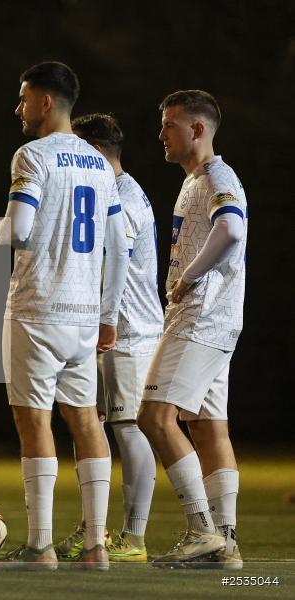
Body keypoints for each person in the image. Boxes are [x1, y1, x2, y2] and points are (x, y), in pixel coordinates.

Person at [0, 62, 129, 570]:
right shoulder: (99, 163)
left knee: (34, 422)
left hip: (37, 308)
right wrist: (108, 314)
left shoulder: (32, 155)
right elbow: (120, 245)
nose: (18, 109)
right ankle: (96, 546)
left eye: (24, 98)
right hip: (84, 314)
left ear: (45, 102)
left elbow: (18, 229)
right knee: (87, 422)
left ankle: (40, 546)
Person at [138, 90, 247, 569]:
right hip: (219, 322)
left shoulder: (216, 177)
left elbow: (232, 229)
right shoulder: (196, 180)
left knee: (154, 417)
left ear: (197, 129)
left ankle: (202, 530)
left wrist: (189, 277)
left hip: (200, 319)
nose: (161, 133)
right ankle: (226, 543)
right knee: (206, 426)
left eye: (169, 124)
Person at [53, 113, 163, 563]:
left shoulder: (123, 198)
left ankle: (134, 536)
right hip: (103, 329)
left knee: (129, 427)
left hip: (128, 331)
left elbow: (112, 264)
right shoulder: (110, 191)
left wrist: (105, 319)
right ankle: (93, 526)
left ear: (96, 152)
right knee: (93, 423)